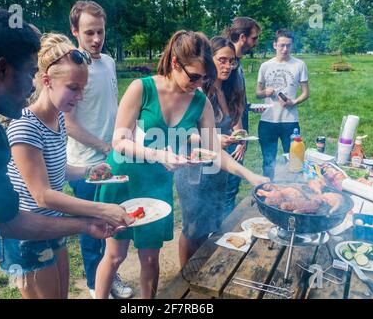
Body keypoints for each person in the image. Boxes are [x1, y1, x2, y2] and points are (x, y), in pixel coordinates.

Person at [0, 7, 128, 300]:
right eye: (31, 72)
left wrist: (86, 225)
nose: (32, 83)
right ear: (3, 70)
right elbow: (38, 197)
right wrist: (95, 213)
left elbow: (13, 221)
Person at [94, 30, 269, 299]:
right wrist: (159, 155)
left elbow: (214, 152)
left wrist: (250, 175)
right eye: (194, 77)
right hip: (124, 178)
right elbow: (119, 141)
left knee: (151, 261)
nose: (199, 85)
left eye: (204, 79)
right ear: (175, 63)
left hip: (156, 186)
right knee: (115, 256)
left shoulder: (200, 102)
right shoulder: (142, 88)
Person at [0, 33, 133, 299]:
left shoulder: (56, 120)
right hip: (25, 234)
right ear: (46, 81)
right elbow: (42, 195)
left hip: (52, 226)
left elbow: (58, 170)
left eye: (83, 88)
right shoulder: (25, 126)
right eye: (73, 87)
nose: (79, 97)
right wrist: (102, 211)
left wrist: (88, 172)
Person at [175, 36, 268, 267]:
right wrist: (213, 139)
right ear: (209, 60)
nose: (227, 66)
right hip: (194, 170)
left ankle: (201, 267)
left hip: (219, 167)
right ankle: (185, 275)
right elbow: (182, 132)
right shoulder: (196, 92)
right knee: (193, 228)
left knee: (211, 224)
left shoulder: (229, 88)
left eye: (232, 61)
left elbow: (233, 122)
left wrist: (237, 136)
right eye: (222, 60)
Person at [65, 0, 133, 299]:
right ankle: (95, 286)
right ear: (74, 31)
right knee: (93, 229)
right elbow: (68, 124)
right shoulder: (70, 67)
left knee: (112, 223)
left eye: (100, 32)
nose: (96, 39)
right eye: (89, 32)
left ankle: (109, 275)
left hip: (113, 158)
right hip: (84, 164)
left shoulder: (108, 62)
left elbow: (112, 106)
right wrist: (106, 146)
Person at [256, 29, 310, 180]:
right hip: (268, 121)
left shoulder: (299, 65)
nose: (285, 49)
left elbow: (306, 93)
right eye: (281, 45)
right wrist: (265, 92)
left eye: (288, 45)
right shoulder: (265, 66)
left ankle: (295, 189)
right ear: (275, 45)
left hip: (290, 122)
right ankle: (267, 188)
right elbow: (257, 93)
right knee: (268, 161)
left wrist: (294, 102)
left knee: (294, 159)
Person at [222, 17, 263, 215]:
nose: (256, 42)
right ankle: (222, 235)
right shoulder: (229, 66)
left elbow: (236, 100)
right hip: (228, 136)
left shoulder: (236, 63)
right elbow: (228, 103)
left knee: (231, 187)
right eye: (254, 38)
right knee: (228, 189)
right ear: (243, 37)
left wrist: (248, 106)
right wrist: (240, 138)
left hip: (236, 134)